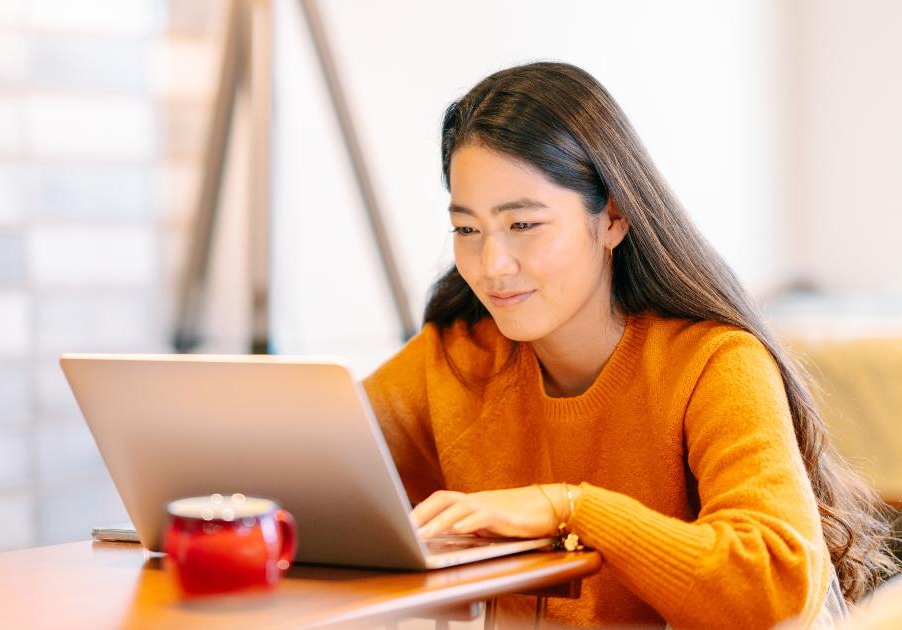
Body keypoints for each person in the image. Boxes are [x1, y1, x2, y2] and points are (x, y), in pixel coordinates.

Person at [362, 62, 897, 628]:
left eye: (523, 226)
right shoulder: (457, 356)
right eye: (468, 230)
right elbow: (318, 468)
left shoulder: (713, 362)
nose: (492, 266)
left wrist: (570, 507)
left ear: (613, 216)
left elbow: (773, 584)